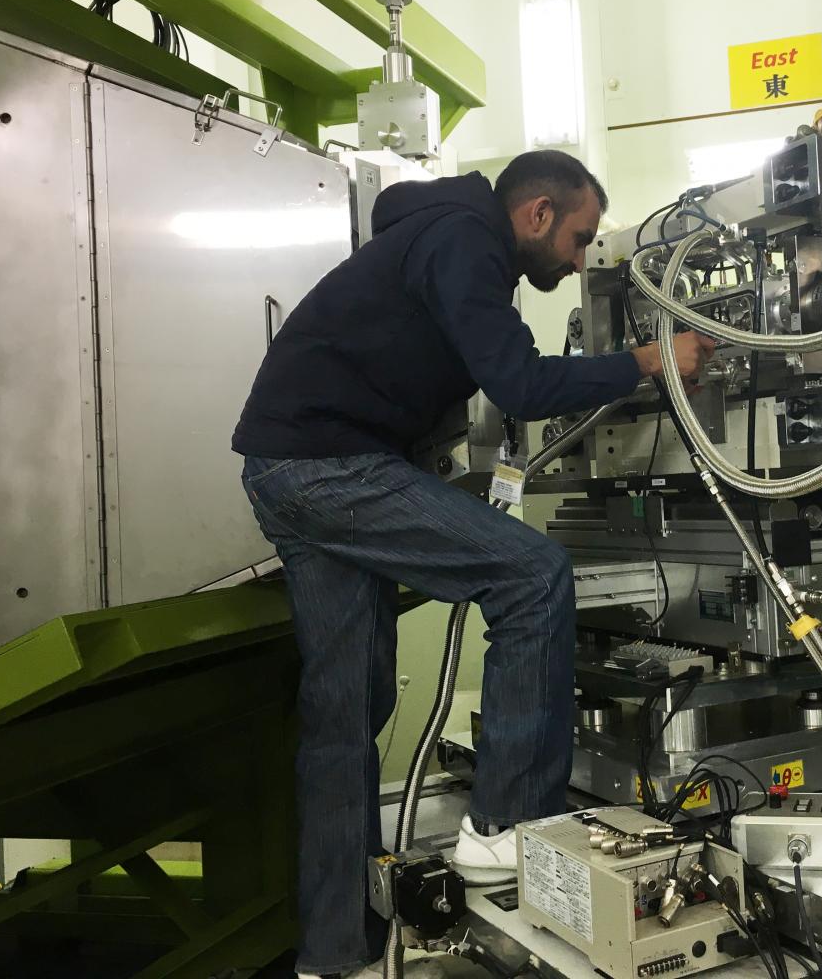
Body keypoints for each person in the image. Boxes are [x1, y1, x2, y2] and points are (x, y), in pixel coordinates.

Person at [232, 149, 714, 979]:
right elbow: (521, 383)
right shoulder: (467, 241)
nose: (577, 260)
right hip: (331, 466)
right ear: (535, 215)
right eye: (577, 239)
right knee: (532, 576)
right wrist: (647, 361)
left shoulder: (437, 237)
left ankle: (333, 952)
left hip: (286, 466)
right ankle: (505, 827)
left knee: (347, 713)